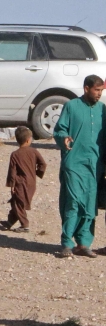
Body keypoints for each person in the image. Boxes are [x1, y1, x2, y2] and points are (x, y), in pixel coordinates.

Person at [53, 74, 104, 258]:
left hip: (94, 164)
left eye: (101, 91)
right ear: (86, 89)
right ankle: (67, 242)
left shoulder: (102, 110)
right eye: (96, 90)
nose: (99, 94)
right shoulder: (71, 106)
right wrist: (63, 138)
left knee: (90, 204)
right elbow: (60, 129)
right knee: (73, 201)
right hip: (73, 162)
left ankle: (84, 243)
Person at [1, 126, 46, 233]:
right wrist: (37, 173)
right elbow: (43, 164)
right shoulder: (34, 151)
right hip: (31, 183)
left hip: (20, 183)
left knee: (17, 204)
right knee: (17, 202)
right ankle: (10, 222)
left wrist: (12, 185)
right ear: (28, 140)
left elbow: (12, 171)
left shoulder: (15, 154)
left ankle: (24, 225)